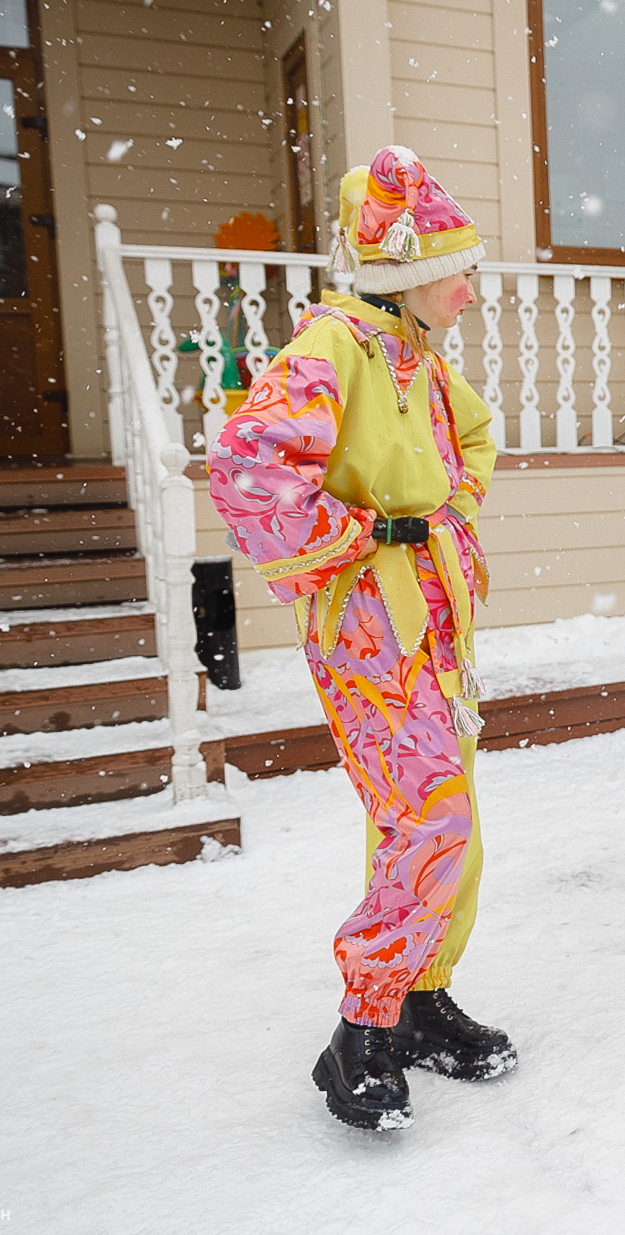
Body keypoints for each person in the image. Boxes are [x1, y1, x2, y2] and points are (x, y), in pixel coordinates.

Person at [209, 148, 514, 1132]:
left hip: (436, 619)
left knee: (451, 813)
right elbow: (248, 469)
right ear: (408, 273)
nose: (469, 293)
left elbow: (476, 439)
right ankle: (362, 1028)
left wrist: (444, 517)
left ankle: (421, 995)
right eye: (458, 273)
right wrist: (359, 537)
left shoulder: (419, 356)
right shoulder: (333, 346)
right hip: (368, 628)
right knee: (427, 816)